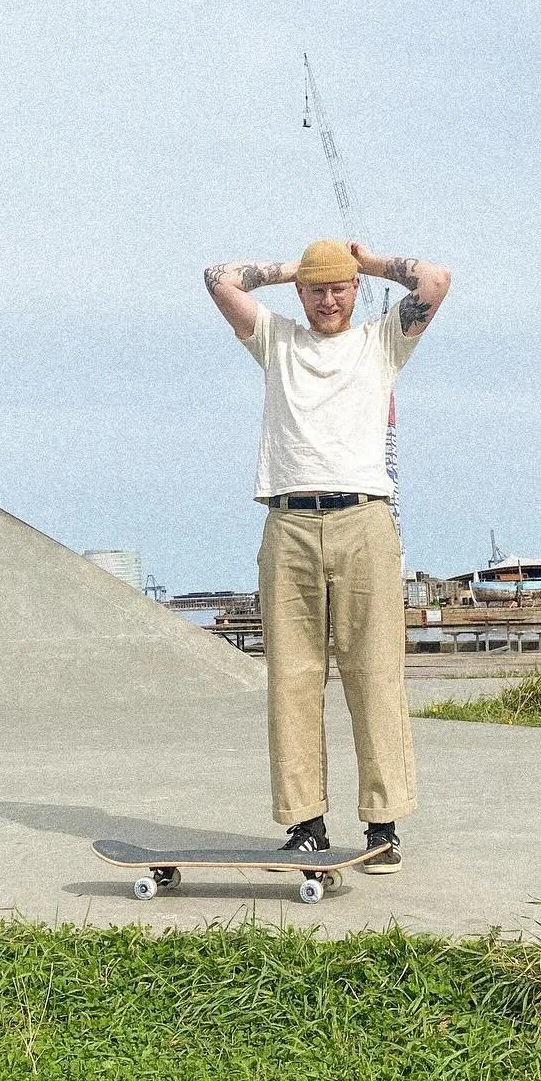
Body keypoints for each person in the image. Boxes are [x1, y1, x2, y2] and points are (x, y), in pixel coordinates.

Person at [204, 239, 451, 871]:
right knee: (292, 677)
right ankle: (305, 823)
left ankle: (383, 824)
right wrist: (294, 268)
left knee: (373, 674)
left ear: (354, 290)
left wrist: (365, 263)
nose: (329, 298)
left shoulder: (382, 341)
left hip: (364, 519)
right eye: (318, 288)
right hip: (288, 522)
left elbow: (436, 279)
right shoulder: (276, 340)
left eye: (338, 287)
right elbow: (219, 279)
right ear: (300, 293)